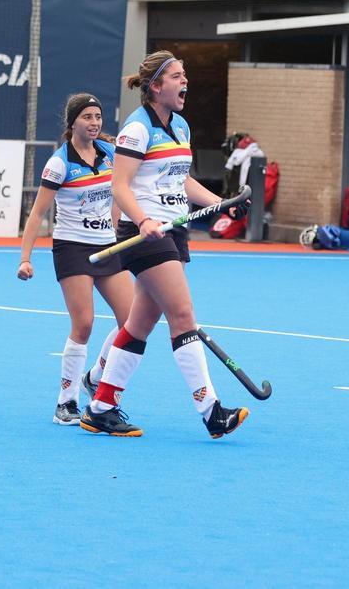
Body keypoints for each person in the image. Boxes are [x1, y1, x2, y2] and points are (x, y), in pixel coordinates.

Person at [79, 51, 251, 439]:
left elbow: (181, 180)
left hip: (173, 230)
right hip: (145, 234)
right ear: (156, 87)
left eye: (184, 74)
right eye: (176, 76)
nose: (184, 81)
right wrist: (142, 220)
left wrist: (220, 204)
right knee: (183, 316)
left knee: (140, 323)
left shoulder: (182, 127)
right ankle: (211, 411)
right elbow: (118, 185)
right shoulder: (136, 130)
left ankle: (101, 406)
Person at [18, 93, 132, 425]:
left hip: (107, 247)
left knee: (133, 323)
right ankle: (66, 403)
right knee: (83, 324)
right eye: (87, 117)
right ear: (73, 123)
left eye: (98, 116)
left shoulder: (111, 153)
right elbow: (38, 212)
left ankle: (95, 377)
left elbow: (121, 191)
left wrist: (115, 222)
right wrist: (25, 258)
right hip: (72, 248)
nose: (94, 122)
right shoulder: (59, 163)